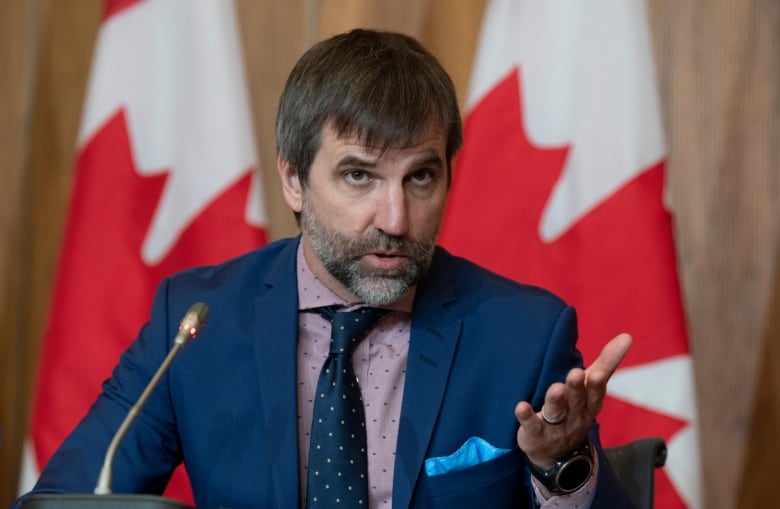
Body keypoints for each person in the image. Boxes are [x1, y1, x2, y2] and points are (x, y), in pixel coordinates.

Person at [15, 29, 636, 508]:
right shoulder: (199, 324)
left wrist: (562, 466)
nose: (395, 217)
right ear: (293, 179)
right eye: (359, 175)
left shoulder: (523, 335)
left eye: (421, 176)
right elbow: (69, 497)